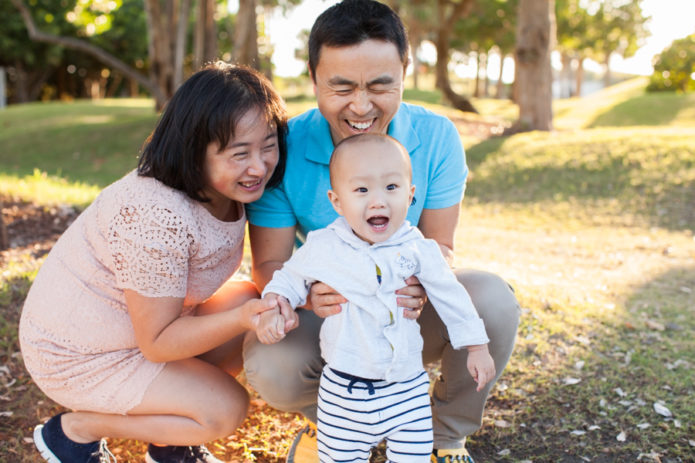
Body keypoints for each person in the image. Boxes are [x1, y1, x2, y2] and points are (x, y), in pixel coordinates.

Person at [243, 1, 520, 462]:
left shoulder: (437, 137)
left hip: (406, 310)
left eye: (379, 85)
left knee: (490, 299)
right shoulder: (284, 147)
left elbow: (441, 246)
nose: (361, 105)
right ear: (313, 79)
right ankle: (334, 425)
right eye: (342, 87)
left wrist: (419, 287)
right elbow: (270, 265)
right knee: (270, 361)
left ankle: (444, 436)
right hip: (334, 316)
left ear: (405, 73)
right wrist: (313, 296)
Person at [18, 61, 297, 463]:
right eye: (240, 153)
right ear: (195, 149)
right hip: (80, 355)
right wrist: (243, 319)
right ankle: (77, 430)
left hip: (134, 335)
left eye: (268, 146)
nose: (259, 166)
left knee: (245, 298)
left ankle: (168, 445)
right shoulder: (155, 214)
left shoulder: (231, 191)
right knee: (225, 409)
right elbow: (159, 342)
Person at [257, 133, 496, 463]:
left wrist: (477, 346)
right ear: (337, 201)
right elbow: (288, 279)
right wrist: (275, 306)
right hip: (344, 391)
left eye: (392, 188)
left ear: (411, 195)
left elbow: (451, 296)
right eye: (361, 190)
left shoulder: (418, 249)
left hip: (406, 388)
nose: (378, 201)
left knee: (410, 457)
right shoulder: (324, 246)